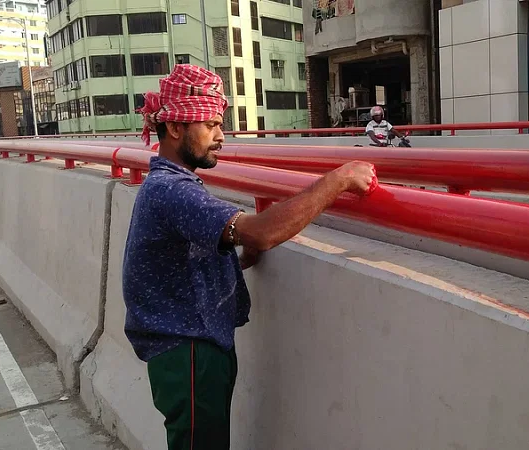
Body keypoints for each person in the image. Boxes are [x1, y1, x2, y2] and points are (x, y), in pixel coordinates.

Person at [123, 64, 376, 450]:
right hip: (188, 350)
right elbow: (260, 230)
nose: (221, 137)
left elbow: (222, 238)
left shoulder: (170, 184)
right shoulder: (171, 191)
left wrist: (233, 251)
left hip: (190, 346)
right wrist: (337, 180)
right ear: (175, 128)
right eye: (210, 125)